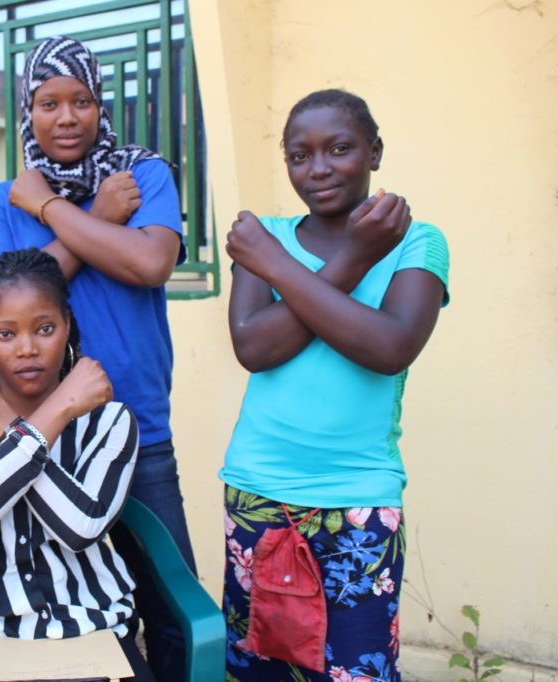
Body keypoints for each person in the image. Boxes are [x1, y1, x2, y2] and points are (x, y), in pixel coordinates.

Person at [0, 35, 195, 680]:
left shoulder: (141, 174)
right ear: (28, 112)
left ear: (101, 106)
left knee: (171, 609)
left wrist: (46, 208)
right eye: (48, 103)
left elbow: (150, 262)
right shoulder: (1, 198)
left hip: (139, 428)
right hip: (40, 434)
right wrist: (91, 215)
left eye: (81, 101)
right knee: (75, 605)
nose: (66, 118)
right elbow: (4, 303)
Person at [220, 88, 451, 681]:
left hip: (359, 498)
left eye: (340, 148)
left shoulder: (417, 241)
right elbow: (254, 347)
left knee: (358, 670)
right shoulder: (263, 234)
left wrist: (280, 266)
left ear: (374, 151)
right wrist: (350, 258)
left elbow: (388, 347)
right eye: (300, 156)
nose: (318, 169)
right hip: (258, 491)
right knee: (261, 667)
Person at [0, 248, 154, 682]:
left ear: (67, 326)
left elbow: (80, 528)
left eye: (44, 329)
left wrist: (3, 419)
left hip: (84, 618)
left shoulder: (109, 421)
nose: (27, 349)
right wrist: (46, 417)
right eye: (6, 334)